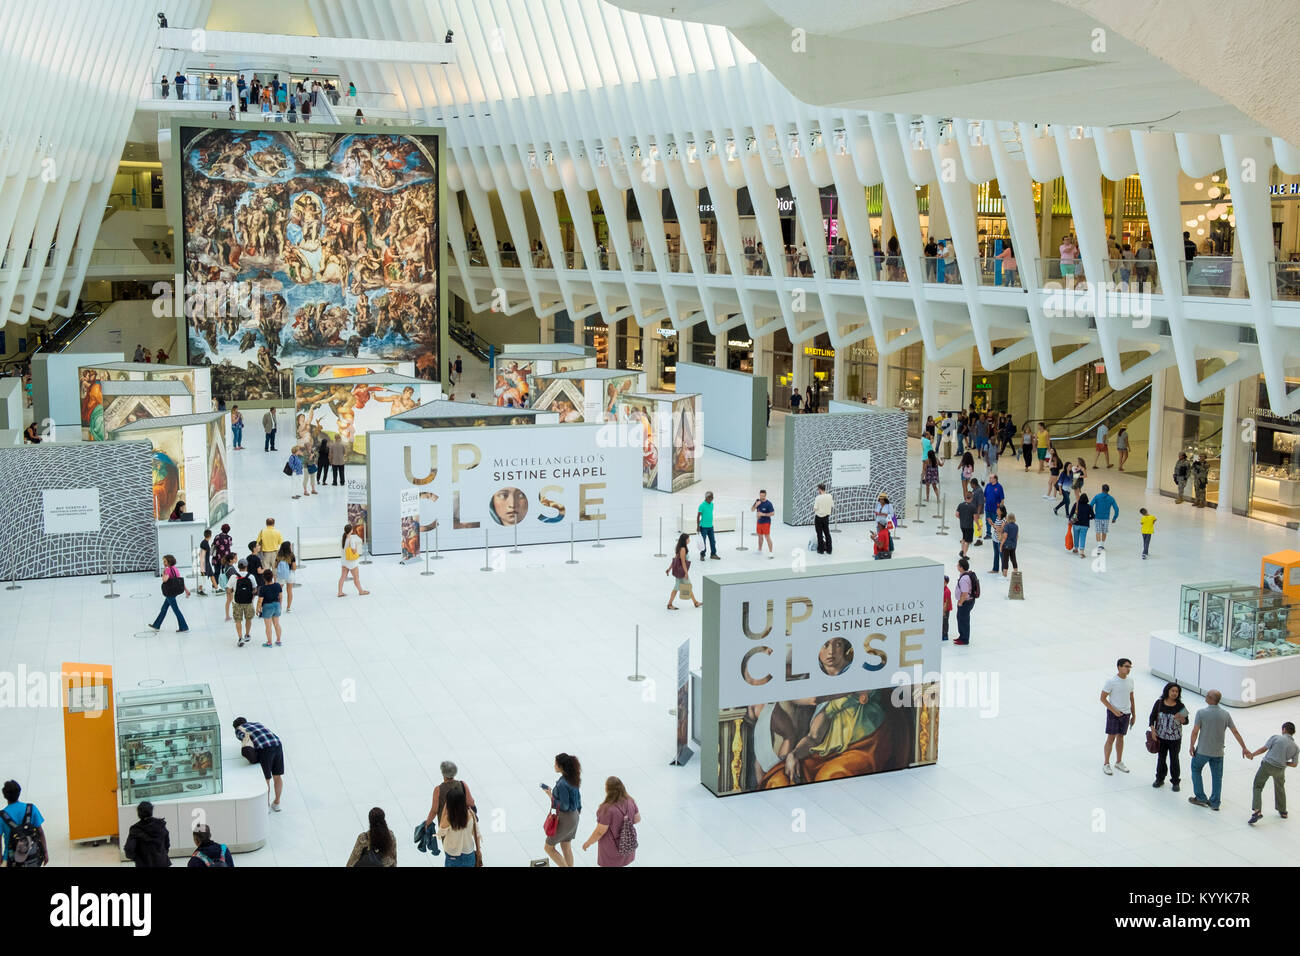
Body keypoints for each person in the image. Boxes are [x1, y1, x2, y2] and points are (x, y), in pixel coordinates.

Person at [1187, 690, 1249, 811]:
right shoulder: (1225, 714)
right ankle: (1215, 803)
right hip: (1218, 753)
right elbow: (1235, 731)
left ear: (1210, 698)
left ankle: (1200, 797)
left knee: (1196, 769)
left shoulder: (1201, 713)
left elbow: (1195, 731)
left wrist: (1191, 745)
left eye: (1207, 695)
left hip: (1203, 751)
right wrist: (1244, 747)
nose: (1206, 696)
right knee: (1217, 777)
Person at [1248, 722, 1299, 826]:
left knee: (1258, 786)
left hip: (1267, 765)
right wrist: (1284, 762)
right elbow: (1294, 764)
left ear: (1284, 729)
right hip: (1280, 769)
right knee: (1280, 787)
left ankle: (1257, 811)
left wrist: (1252, 754)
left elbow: (1264, 749)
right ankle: (1283, 811)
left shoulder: (1276, 738)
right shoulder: (1296, 747)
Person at [582, 776, 641, 867]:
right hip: (627, 844)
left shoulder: (607, 808)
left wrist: (588, 843)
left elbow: (600, 832)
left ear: (607, 790)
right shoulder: (630, 801)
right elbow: (637, 819)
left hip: (611, 847)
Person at [233, 717, 285, 810]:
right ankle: (277, 803)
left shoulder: (239, 729)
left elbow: (244, 739)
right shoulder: (257, 723)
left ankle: (266, 806)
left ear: (235, 726)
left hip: (265, 749)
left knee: (267, 779)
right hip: (277, 744)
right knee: (277, 776)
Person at [542, 753, 582, 867]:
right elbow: (578, 799)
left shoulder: (562, 784)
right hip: (574, 816)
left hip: (565, 818)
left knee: (548, 847)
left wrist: (551, 795)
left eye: (556, 764)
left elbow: (563, 805)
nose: (554, 765)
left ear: (561, 766)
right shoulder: (572, 778)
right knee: (566, 846)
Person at [1149, 682, 1190, 791]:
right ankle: (1159, 778)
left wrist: (1181, 719)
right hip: (1161, 737)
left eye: (1177, 691)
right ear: (1167, 691)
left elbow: (1186, 721)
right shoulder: (1159, 703)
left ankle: (1175, 781)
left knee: (1174, 759)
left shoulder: (1181, 706)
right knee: (1161, 758)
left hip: (1175, 739)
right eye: (1172, 691)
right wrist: (1153, 731)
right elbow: (1152, 717)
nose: (1174, 693)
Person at [1101, 658, 1135, 775]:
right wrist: (1114, 711)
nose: (1128, 669)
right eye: (1126, 666)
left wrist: (1133, 714)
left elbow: (1131, 698)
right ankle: (1106, 763)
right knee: (1111, 738)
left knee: (1121, 737)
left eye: (1129, 667)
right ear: (1119, 667)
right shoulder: (1111, 681)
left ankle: (1119, 761)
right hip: (1114, 713)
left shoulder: (1130, 681)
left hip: (1126, 713)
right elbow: (1103, 698)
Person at [1, 780, 47, 867]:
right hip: (32, 856)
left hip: (11, 859)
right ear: (19, 792)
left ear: (5, 796)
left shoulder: (2, 816)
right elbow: (40, 832)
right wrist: (45, 852)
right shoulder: (31, 808)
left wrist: (1, 859)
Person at [424, 761, 476, 832]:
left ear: (443, 773)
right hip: (462, 824)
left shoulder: (438, 790)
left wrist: (427, 824)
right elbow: (471, 802)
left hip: (446, 827)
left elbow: (434, 811)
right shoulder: (462, 784)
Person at [438, 783, 480, 867]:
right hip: (469, 854)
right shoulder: (471, 814)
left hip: (452, 856)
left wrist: (445, 808)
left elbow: (440, 834)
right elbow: (477, 834)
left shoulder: (449, 819)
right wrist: (478, 850)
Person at [150, 554, 190, 632]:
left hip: (169, 592)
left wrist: (163, 573)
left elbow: (164, 580)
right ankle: (156, 625)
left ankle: (184, 627)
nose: (163, 562)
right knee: (164, 608)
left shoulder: (167, 569)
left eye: (165, 561)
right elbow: (180, 581)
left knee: (176, 610)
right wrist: (186, 590)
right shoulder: (175, 569)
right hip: (174, 591)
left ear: (169, 561)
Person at [123, 801, 170, 867]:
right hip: (162, 862)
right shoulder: (160, 825)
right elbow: (167, 844)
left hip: (143, 864)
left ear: (138, 813)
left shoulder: (135, 829)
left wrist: (137, 859)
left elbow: (129, 849)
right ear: (151, 811)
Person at [225, 559, 256, 646]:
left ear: (238, 567)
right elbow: (255, 589)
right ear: (246, 567)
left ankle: (240, 638)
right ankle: (247, 634)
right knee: (248, 618)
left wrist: (232, 592)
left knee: (238, 620)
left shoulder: (233, 576)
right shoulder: (251, 576)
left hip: (236, 602)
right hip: (249, 602)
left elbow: (228, 589)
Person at [667, 533, 701, 610]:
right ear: (685, 540)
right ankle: (669, 604)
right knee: (684, 586)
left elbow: (675, 560)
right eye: (688, 539)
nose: (689, 540)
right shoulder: (683, 549)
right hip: (681, 572)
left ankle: (695, 602)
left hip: (678, 572)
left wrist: (669, 569)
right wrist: (686, 573)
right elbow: (683, 562)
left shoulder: (680, 547)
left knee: (685, 586)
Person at [338, 523, 369, 596]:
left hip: (344, 561)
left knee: (342, 577)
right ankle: (361, 591)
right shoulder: (351, 540)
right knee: (356, 577)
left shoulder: (343, 539)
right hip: (351, 562)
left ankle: (340, 592)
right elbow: (354, 551)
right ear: (351, 530)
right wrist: (356, 545)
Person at [1089, 483, 1119, 551]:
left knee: (1098, 531)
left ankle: (1099, 545)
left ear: (1102, 489)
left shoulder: (1097, 497)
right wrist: (1114, 518)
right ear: (1108, 490)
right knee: (1104, 532)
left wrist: (1092, 514)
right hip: (1106, 518)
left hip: (1098, 517)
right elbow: (1116, 509)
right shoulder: (1111, 498)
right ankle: (1102, 545)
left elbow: (1091, 505)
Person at [954, 557, 976, 645]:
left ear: (961, 567)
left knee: (963, 619)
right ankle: (962, 636)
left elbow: (965, 593)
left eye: (958, 565)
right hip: (968, 601)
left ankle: (964, 639)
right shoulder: (967, 574)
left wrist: (960, 602)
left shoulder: (964, 579)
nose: (957, 566)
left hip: (965, 602)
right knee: (962, 618)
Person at [751, 490, 775, 557]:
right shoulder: (758, 501)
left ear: (765, 495)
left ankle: (771, 552)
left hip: (766, 523)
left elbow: (773, 513)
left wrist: (763, 514)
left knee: (767, 536)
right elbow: (752, 510)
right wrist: (756, 505)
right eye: (760, 495)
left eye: (763, 496)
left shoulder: (768, 504)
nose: (761, 497)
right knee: (760, 536)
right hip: (759, 522)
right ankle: (759, 550)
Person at [697, 491, 719, 561]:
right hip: (703, 527)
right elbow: (698, 516)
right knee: (703, 542)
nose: (712, 499)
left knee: (713, 541)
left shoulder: (712, 504)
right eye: (710, 497)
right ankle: (702, 555)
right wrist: (698, 526)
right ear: (707, 497)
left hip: (710, 526)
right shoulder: (702, 505)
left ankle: (713, 554)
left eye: (712, 497)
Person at [1069, 492, 1093, 557]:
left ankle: (1076, 548)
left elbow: (1071, 514)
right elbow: (1093, 516)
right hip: (1085, 525)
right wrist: (1088, 518)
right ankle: (1081, 552)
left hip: (1076, 524)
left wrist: (1070, 520)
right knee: (1083, 537)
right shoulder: (1089, 507)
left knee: (1076, 536)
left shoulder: (1076, 505)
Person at [275, 541, 296, 614]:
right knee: (289, 591)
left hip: (281, 575)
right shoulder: (292, 555)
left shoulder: (279, 555)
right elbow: (294, 567)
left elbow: (275, 565)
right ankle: (288, 607)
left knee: (279, 592)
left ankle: (279, 607)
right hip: (289, 574)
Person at [813, 483, 833, 555]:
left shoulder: (818, 498)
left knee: (819, 534)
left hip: (818, 518)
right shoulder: (830, 496)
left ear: (819, 489)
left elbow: (815, 508)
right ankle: (829, 549)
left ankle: (821, 549)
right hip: (826, 517)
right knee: (827, 533)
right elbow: (832, 505)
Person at [956, 491, 976, 560]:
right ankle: (964, 555)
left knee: (964, 538)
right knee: (967, 541)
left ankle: (962, 551)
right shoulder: (973, 507)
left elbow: (957, 514)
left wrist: (962, 518)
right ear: (972, 498)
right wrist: (979, 526)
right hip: (969, 526)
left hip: (962, 525)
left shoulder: (960, 505)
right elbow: (975, 518)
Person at [982, 473, 1003, 540]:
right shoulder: (988, 485)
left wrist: (1001, 509)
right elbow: (985, 496)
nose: (989, 479)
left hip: (995, 509)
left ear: (995, 479)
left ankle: (997, 533)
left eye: (991, 478)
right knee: (987, 521)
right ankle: (988, 534)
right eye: (989, 478)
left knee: (995, 521)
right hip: (988, 507)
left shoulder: (999, 487)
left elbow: (1002, 499)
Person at [999, 511, 1019, 577]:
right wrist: (1015, 544)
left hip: (1006, 545)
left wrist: (1001, 546)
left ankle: (1004, 575)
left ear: (1008, 518)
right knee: (1013, 559)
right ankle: (1016, 573)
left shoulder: (1007, 526)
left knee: (1005, 560)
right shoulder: (1016, 526)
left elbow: (1005, 537)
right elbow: (1016, 536)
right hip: (1013, 545)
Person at [198, 528, 215, 595]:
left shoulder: (204, 542)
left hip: (206, 562)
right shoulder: (204, 543)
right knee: (203, 577)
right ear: (210, 535)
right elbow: (203, 554)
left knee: (211, 575)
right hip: (204, 563)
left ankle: (216, 588)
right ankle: (200, 590)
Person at [942, 575, 952, 641]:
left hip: (946, 609)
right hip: (942, 607)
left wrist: (943, 611)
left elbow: (946, 602)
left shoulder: (947, 591)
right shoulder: (941, 589)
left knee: (945, 621)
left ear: (946, 583)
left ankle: (945, 635)